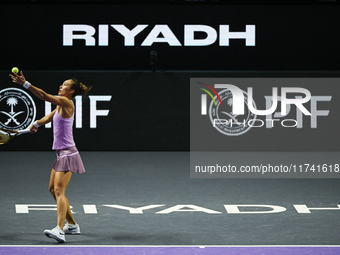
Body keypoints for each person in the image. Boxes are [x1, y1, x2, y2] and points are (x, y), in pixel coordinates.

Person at [9, 71, 91, 243]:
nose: (61, 86)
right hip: (61, 153)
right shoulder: (61, 105)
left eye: (65, 85)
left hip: (68, 153)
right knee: (52, 190)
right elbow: (50, 116)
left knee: (60, 191)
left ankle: (59, 230)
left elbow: (43, 95)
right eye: (62, 84)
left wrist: (25, 84)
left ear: (71, 91)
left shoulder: (66, 102)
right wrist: (36, 124)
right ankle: (73, 225)